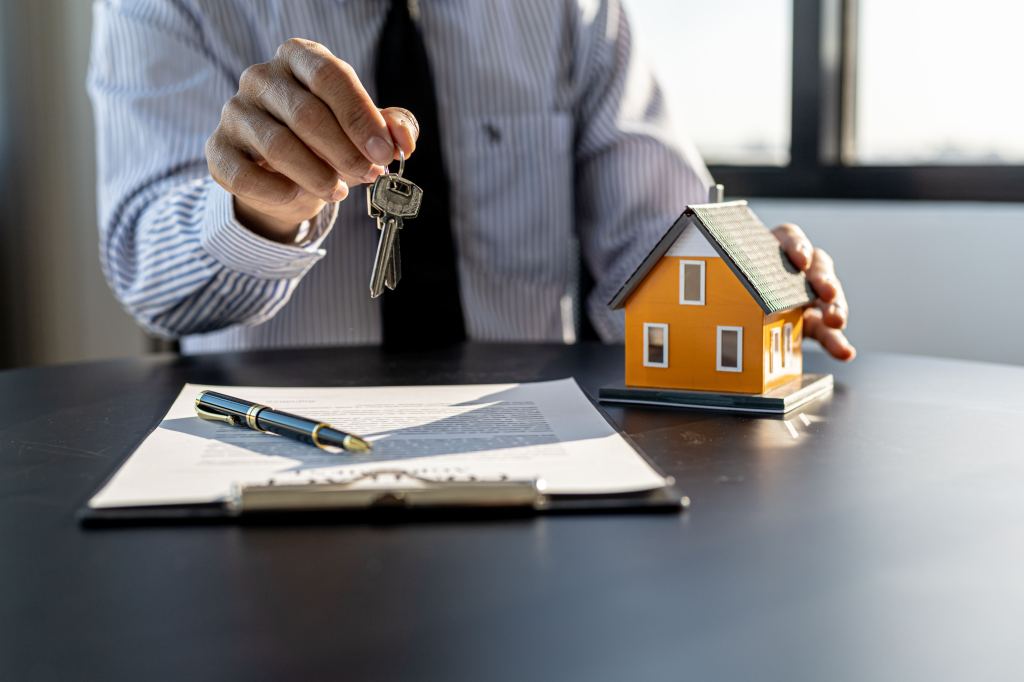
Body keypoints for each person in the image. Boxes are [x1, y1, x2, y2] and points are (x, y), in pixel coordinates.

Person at [88, 0, 854, 360]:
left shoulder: (575, 10)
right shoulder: (165, 5)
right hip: (265, 457)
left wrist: (745, 286)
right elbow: (154, 284)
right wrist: (254, 211)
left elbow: (648, 251)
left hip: (541, 463)